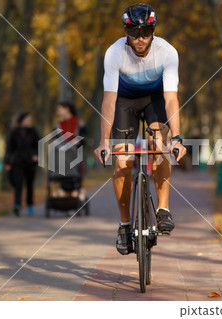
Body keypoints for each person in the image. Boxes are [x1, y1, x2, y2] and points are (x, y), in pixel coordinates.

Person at [93, 4, 187, 255]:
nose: (140, 38)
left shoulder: (167, 52)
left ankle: (163, 209)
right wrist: (104, 142)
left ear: (153, 30)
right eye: (133, 32)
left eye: (146, 31)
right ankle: (125, 225)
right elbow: (109, 100)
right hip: (125, 102)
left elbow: (170, 99)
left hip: (156, 99)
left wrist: (177, 137)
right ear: (126, 31)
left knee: (159, 146)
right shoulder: (114, 53)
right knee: (122, 162)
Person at [4, 112, 40, 217]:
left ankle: (30, 205)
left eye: (30, 119)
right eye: (28, 119)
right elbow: (9, 148)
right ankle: (17, 206)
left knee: (29, 185)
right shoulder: (14, 132)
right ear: (22, 120)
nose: (30, 121)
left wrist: (36, 155)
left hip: (30, 162)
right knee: (18, 184)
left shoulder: (33, 131)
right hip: (17, 162)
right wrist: (7, 162)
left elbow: (38, 145)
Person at [55, 101, 87, 199]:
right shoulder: (59, 125)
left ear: (67, 109)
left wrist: (77, 141)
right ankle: (64, 188)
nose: (57, 111)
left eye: (59, 109)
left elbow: (84, 136)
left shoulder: (78, 122)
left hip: (75, 152)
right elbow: (55, 138)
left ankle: (76, 188)